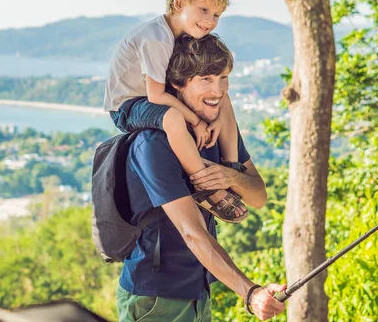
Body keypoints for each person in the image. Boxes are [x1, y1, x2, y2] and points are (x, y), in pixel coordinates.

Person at [116, 34, 286, 322]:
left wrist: (231, 176)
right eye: (205, 79)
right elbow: (193, 233)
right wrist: (250, 292)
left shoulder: (214, 131)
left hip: (198, 291)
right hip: (155, 299)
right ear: (178, 84)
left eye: (223, 77)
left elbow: (258, 197)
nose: (218, 89)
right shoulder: (153, 144)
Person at [104, 0, 246, 223]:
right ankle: (209, 189)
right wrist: (198, 121)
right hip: (128, 104)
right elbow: (157, 96)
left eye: (216, 14)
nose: (210, 21)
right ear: (179, 2)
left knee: (222, 97)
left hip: (152, 97)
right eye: (204, 10)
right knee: (172, 118)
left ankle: (231, 167)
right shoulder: (157, 38)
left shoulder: (185, 35)